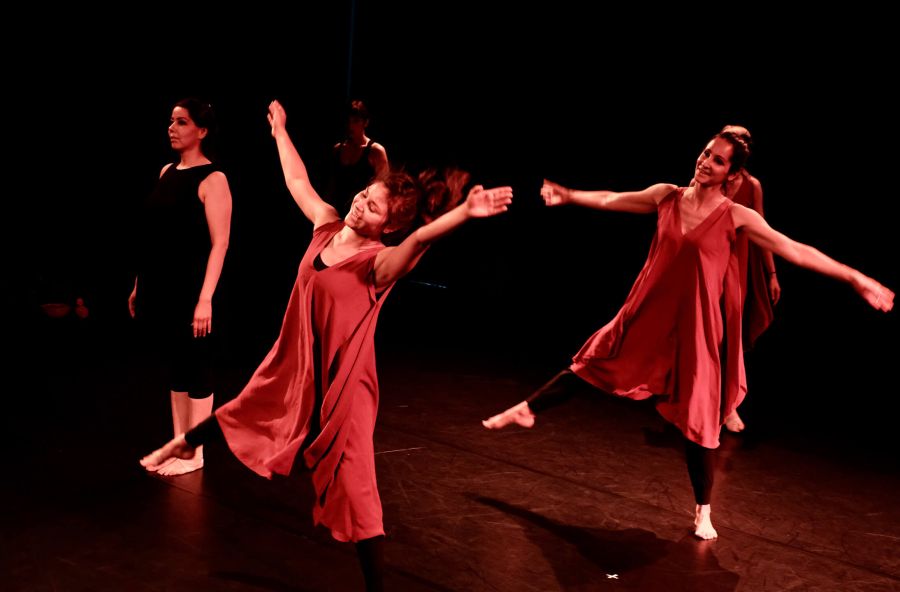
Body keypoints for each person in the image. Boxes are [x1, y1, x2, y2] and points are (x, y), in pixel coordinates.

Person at [141, 99, 512, 591]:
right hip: (300, 361)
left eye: (373, 207)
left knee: (358, 489)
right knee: (250, 404)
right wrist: (280, 132)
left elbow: (419, 243)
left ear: (389, 225)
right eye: (365, 194)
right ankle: (181, 443)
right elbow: (298, 182)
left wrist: (464, 212)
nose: (361, 204)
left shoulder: (378, 264)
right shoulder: (328, 225)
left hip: (347, 385)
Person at [482, 130, 893, 540]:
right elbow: (612, 198)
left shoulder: (736, 215)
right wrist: (570, 195)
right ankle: (527, 408)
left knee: (700, 416)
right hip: (647, 315)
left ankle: (703, 511)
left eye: (718, 160)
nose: (706, 162)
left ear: (731, 174)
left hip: (696, 327)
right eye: (706, 153)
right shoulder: (667, 196)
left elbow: (796, 249)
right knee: (594, 363)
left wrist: (854, 277)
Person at [129, 98, 233, 476]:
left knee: (197, 366)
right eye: (172, 121)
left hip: (193, 287)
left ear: (201, 131)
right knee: (176, 365)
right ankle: (178, 446)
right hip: (162, 286)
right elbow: (154, 237)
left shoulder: (213, 179)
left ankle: (196, 452)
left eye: (182, 122)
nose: (172, 128)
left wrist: (205, 299)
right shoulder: (166, 171)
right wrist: (139, 284)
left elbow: (220, 243)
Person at [693, 125, 779, 432]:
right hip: (706, 261)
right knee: (701, 331)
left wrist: (771, 273)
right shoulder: (706, 174)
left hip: (735, 266)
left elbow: (764, 234)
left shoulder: (751, 186)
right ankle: (695, 397)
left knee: (731, 334)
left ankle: (728, 405)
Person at [325, 99, 389, 216]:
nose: (350, 126)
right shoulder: (338, 149)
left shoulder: (376, 151)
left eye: (356, 121)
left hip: (361, 213)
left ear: (365, 122)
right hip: (337, 212)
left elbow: (382, 187)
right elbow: (331, 185)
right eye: (348, 121)